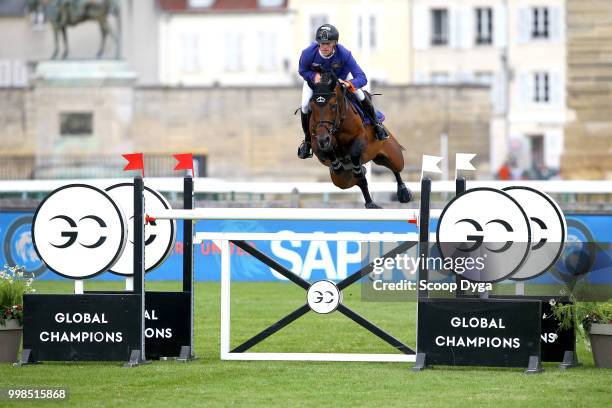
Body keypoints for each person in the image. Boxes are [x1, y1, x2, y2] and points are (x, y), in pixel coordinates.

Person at [297, 24, 388, 159]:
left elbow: (362, 77)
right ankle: (308, 142)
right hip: (316, 83)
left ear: (335, 43)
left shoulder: (344, 54)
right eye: (321, 43)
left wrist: (350, 84)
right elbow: (302, 70)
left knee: (360, 94)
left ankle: (376, 126)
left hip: (341, 79)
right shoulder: (308, 53)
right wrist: (312, 76)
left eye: (328, 43)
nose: (324, 46)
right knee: (304, 105)